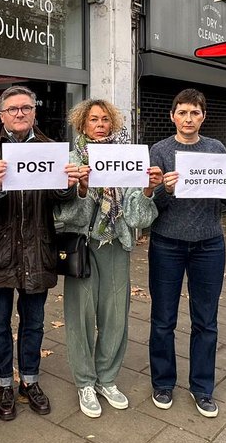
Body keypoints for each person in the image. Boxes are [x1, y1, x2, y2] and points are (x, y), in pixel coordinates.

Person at [147, 88, 226, 417]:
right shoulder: (160, 151)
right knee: (163, 319)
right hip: (166, 243)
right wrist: (164, 190)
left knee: (206, 321)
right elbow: (151, 206)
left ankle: (202, 388)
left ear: (203, 117)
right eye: (183, 113)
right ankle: (163, 382)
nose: (188, 119)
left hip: (209, 244)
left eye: (195, 113)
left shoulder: (215, 149)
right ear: (172, 116)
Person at [0, 86, 77, 420]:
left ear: (35, 112)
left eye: (26, 108)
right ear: (0, 115)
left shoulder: (50, 149)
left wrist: (64, 185)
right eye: (12, 109)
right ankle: (5, 383)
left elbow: (60, 199)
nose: (19, 113)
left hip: (37, 247)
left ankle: (29, 381)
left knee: (33, 323)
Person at [54, 99, 159, 418]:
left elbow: (139, 219)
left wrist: (148, 190)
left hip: (115, 245)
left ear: (112, 124)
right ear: (81, 125)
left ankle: (107, 379)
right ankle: (85, 381)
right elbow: (60, 216)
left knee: (116, 316)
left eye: (105, 120)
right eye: (93, 119)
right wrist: (81, 190)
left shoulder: (128, 159)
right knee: (80, 316)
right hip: (82, 248)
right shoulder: (70, 160)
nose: (99, 124)